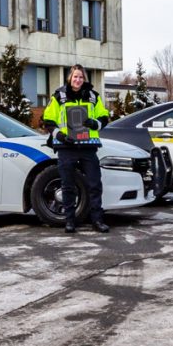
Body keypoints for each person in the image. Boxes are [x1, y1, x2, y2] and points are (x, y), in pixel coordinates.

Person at [40, 65, 111, 233]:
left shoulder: (93, 96)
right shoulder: (59, 96)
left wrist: (95, 123)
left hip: (88, 146)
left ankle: (97, 220)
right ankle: (70, 221)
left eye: (80, 77)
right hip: (67, 146)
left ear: (84, 79)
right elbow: (48, 121)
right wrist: (59, 136)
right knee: (67, 185)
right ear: (70, 78)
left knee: (95, 184)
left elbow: (104, 117)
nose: (78, 80)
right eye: (75, 77)